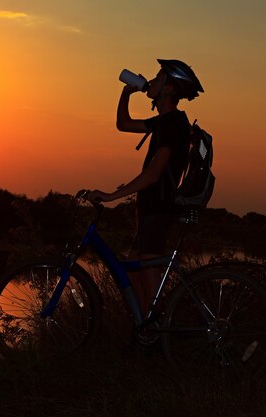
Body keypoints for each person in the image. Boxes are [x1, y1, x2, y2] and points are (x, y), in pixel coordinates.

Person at [86, 59, 204, 317]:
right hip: (150, 208)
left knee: (149, 284)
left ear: (170, 89)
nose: (152, 79)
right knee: (132, 268)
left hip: (159, 209)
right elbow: (123, 124)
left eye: (159, 77)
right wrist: (126, 91)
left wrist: (112, 196)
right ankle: (145, 331)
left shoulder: (173, 124)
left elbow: (153, 174)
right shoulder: (163, 122)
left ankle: (156, 335)